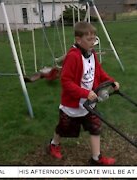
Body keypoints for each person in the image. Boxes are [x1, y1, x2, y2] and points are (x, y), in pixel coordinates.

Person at [48, 21, 120, 165]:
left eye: (94, 39)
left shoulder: (91, 53)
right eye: (89, 39)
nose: (93, 42)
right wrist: (84, 93)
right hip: (72, 104)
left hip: (89, 103)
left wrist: (112, 81)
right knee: (63, 128)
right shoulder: (73, 56)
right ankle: (53, 144)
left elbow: (98, 72)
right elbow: (66, 81)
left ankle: (96, 158)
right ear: (78, 40)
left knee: (95, 127)